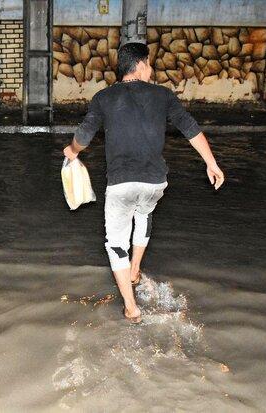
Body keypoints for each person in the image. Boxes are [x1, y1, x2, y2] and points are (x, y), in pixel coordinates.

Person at [63, 42, 225, 324]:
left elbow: (85, 135)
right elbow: (190, 129)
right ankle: (136, 267)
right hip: (154, 183)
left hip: (121, 184)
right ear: (139, 65)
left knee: (115, 242)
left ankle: (131, 307)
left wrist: (72, 151)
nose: (151, 70)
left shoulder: (103, 98)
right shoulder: (163, 96)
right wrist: (211, 163)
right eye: (150, 64)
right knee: (144, 213)